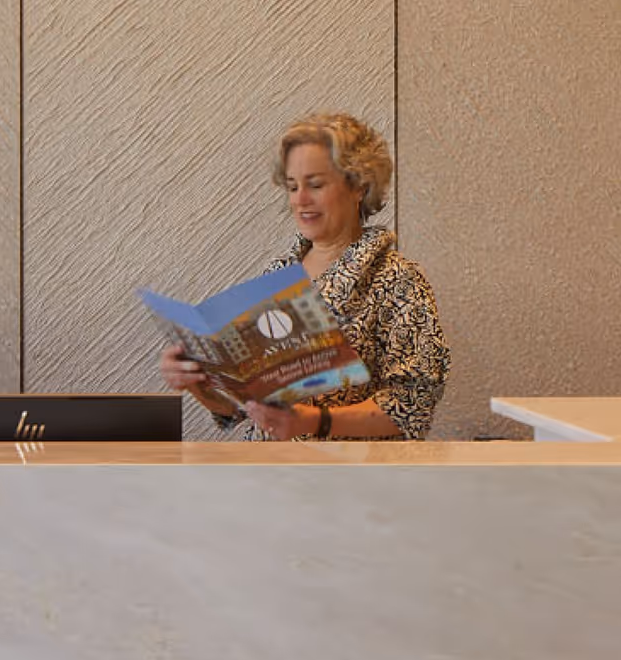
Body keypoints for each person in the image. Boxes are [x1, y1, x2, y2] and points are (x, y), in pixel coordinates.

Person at [158, 113, 448, 440]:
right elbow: (246, 411)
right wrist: (200, 386)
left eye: (315, 184)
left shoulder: (398, 279)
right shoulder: (280, 274)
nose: (300, 200)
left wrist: (315, 421)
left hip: (347, 481)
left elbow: (412, 404)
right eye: (293, 186)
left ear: (359, 186)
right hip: (268, 478)